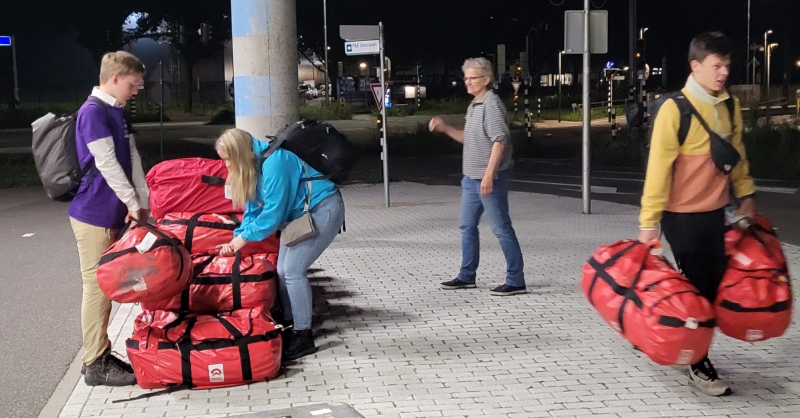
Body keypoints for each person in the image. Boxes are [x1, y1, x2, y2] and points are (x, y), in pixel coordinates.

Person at [638, 31, 756, 396]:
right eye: (716, 66)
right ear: (695, 66)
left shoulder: (729, 106)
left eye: (727, 66)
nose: (723, 73)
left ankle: (674, 338)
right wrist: (648, 224)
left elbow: (735, 155)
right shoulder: (675, 109)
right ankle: (697, 363)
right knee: (698, 291)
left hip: (715, 213)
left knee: (714, 287)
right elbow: (658, 169)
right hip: (681, 216)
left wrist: (746, 195)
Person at [215, 128, 345, 361]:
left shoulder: (275, 162)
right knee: (282, 271)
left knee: (293, 271)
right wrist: (237, 237)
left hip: (323, 209)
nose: (225, 165)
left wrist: (240, 241)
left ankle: (303, 335)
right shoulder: (253, 165)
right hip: (302, 216)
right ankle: (288, 323)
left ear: (238, 154)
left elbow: (273, 217)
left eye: (227, 159)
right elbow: (253, 210)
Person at [68, 51, 149, 386]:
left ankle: (99, 353)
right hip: (94, 213)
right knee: (97, 288)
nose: (138, 89)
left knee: (116, 283)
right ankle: (94, 362)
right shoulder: (92, 112)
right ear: (115, 78)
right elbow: (107, 164)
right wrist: (133, 202)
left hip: (114, 211)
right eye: (134, 83)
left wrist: (143, 202)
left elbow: (131, 158)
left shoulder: (115, 111)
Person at [428, 57, 526, 296]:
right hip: (471, 179)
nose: (467, 82)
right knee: (467, 226)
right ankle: (466, 276)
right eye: (466, 78)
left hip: (489, 179)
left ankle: (516, 280)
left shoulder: (491, 105)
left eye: (472, 78)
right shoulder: (475, 105)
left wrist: (489, 175)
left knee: (501, 228)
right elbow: (467, 138)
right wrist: (445, 128)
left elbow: (500, 141)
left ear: (486, 80)